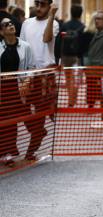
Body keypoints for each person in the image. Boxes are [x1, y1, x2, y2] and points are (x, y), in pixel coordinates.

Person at [20, 0, 59, 161]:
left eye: (42, 4)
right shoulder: (26, 23)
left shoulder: (54, 23)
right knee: (21, 108)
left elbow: (46, 38)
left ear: (49, 6)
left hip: (44, 74)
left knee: (40, 113)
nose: (38, 8)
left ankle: (31, 149)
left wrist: (51, 17)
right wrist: (22, 74)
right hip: (28, 72)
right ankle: (38, 132)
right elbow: (21, 46)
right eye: (37, 4)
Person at [0, 17, 35, 166]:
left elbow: (32, 67)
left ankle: (8, 153)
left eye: (11, 23)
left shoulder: (25, 46)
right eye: (6, 25)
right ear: (1, 31)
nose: (10, 25)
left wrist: (27, 80)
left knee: (12, 122)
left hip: (16, 89)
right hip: (2, 88)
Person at [60, 5, 85, 106]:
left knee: (68, 78)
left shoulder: (65, 25)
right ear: (81, 13)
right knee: (76, 79)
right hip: (77, 56)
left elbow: (60, 39)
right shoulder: (82, 26)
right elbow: (83, 43)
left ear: (70, 12)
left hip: (65, 55)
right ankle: (73, 99)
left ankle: (70, 99)